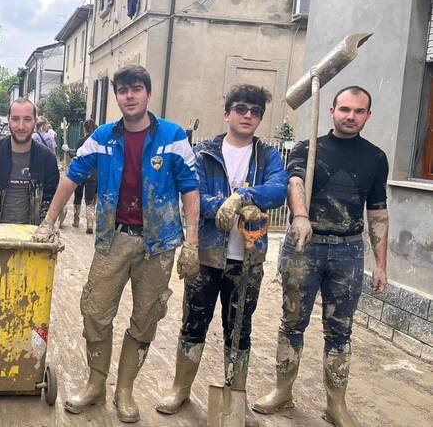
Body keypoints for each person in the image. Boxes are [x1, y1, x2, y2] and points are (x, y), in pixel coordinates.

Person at [33, 64, 200, 423]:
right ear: (117, 97)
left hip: (158, 245)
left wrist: (193, 244)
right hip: (113, 239)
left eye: (136, 89)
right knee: (94, 312)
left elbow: (190, 189)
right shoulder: (103, 138)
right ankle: (96, 385)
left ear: (147, 93)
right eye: (123, 90)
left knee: (145, 319)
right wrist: (48, 222)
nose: (130, 96)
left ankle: (124, 391)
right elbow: (72, 176)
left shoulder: (172, 136)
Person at [252, 86, 389, 427]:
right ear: (331, 111)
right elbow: (295, 182)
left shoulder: (375, 158)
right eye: (344, 109)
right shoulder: (308, 148)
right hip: (305, 246)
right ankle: (283, 391)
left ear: (368, 115)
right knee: (292, 322)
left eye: (358, 111)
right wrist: (300, 216)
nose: (351, 116)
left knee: (340, 331)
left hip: (348, 250)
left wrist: (381, 264)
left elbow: (377, 211)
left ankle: (335, 404)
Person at [155, 85, 288, 426]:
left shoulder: (268, 156)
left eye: (255, 112)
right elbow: (193, 193)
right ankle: (180, 388)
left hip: (247, 259)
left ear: (259, 118)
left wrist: (241, 196)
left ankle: (235, 394)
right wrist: (224, 206)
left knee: (239, 328)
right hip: (207, 255)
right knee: (193, 322)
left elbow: (278, 189)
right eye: (241, 109)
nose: (247, 116)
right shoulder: (203, 153)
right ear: (227, 113)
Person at [0, 98, 59, 226]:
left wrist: (44, 226)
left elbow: (49, 197)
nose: (21, 126)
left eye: (27, 119)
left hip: (31, 236)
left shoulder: (47, 158)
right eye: (15, 119)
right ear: (8, 120)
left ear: (35, 122)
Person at [72, 118, 98, 233]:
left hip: (80, 173)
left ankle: (76, 220)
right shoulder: (98, 143)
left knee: (77, 196)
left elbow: (77, 156)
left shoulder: (80, 141)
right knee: (90, 200)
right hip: (93, 174)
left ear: (85, 129)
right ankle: (90, 223)